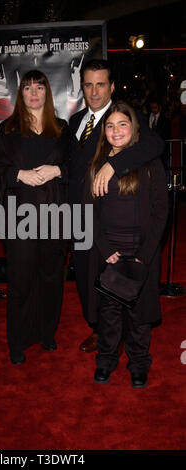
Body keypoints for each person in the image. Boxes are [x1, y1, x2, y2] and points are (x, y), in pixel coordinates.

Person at [68, 59, 165, 354]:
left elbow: (155, 146)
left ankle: (123, 333)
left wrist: (114, 164)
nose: (94, 91)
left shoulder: (125, 116)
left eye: (101, 84)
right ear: (82, 87)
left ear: (111, 86)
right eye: (88, 84)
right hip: (81, 215)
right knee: (87, 275)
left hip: (113, 213)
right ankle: (100, 329)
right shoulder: (75, 122)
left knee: (118, 273)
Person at [0, 69, 70, 365]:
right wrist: (17, 175)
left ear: (47, 92)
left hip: (56, 217)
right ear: (21, 95)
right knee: (20, 279)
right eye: (28, 88)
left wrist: (57, 170)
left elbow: (78, 167)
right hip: (19, 217)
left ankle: (47, 332)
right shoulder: (7, 129)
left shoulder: (61, 127)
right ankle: (18, 340)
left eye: (39, 87)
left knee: (51, 277)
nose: (34, 93)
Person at [85, 101, 168, 388]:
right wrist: (106, 250)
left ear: (134, 129)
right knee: (108, 315)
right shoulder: (96, 165)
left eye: (123, 124)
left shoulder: (149, 163)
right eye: (110, 125)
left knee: (139, 316)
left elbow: (161, 211)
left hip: (140, 254)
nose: (116, 130)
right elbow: (88, 213)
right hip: (109, 254)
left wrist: (145, 254)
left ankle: (139, 363)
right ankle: (105, 361)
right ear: (103, 131)